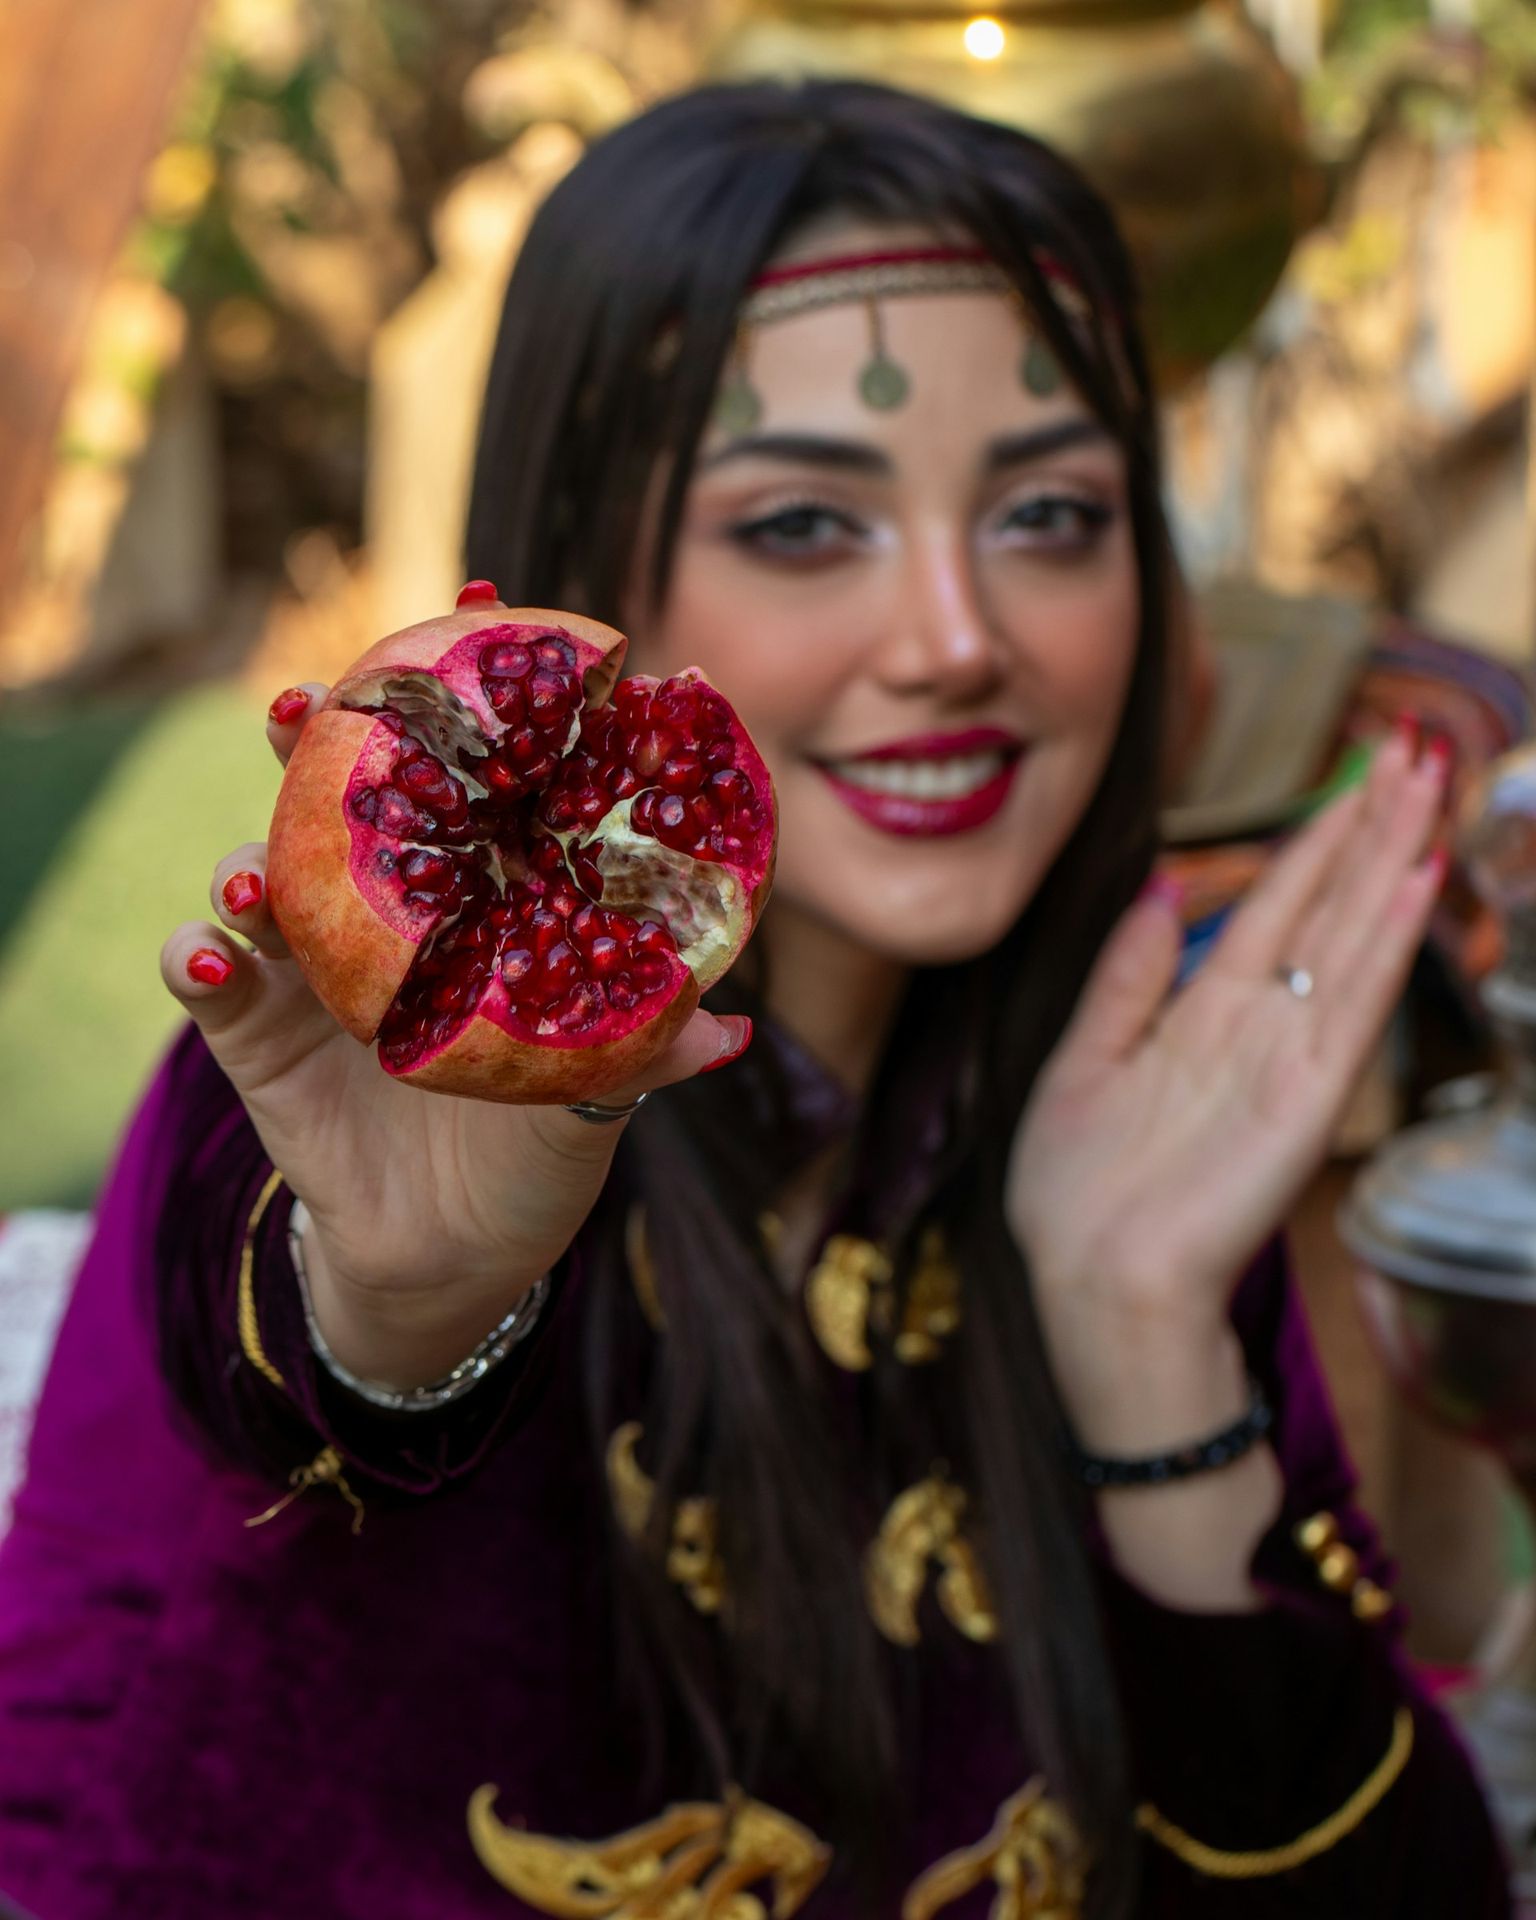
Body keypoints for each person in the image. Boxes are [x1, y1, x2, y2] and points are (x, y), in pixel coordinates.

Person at [0, 80, 1510, 1920]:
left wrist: (1146, 1348)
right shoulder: (331, 1119)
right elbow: (282, 1352)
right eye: (805, 523)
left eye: (1049, 512)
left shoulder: (1131, 1137)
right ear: (589, 563)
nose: (959, 634)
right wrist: (405, 1331)